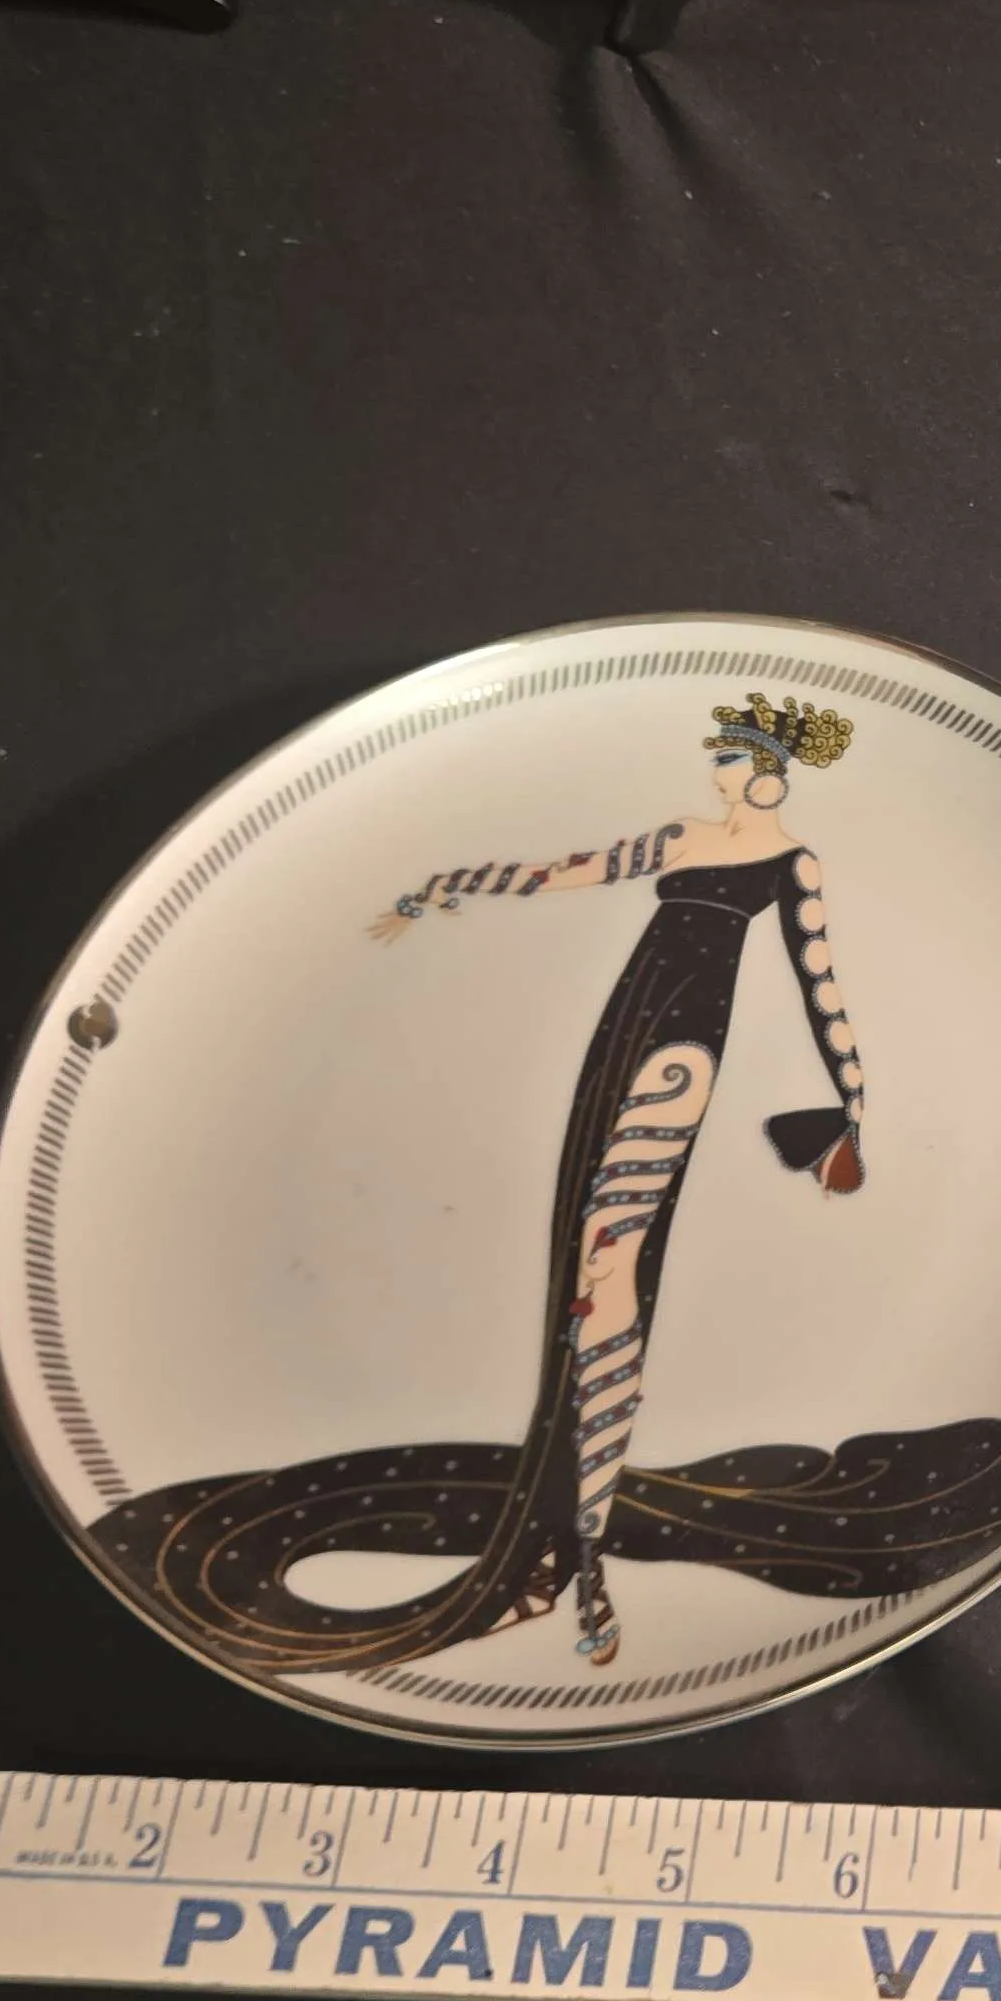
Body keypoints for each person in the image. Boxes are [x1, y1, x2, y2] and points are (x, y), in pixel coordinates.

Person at [367, 690, 866, 1663]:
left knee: (609, 1269)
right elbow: (566, 871)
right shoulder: (679, 837)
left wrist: (851, 1100)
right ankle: (569, 1546)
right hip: (622, 1032)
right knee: (587, 1275)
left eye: (733, 760)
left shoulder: (789, 862)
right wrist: (446, 884)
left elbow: (821, 981)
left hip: (682, 1047)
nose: (720, 774)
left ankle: (585, 1553)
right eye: (720, 759)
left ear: (768, 776)